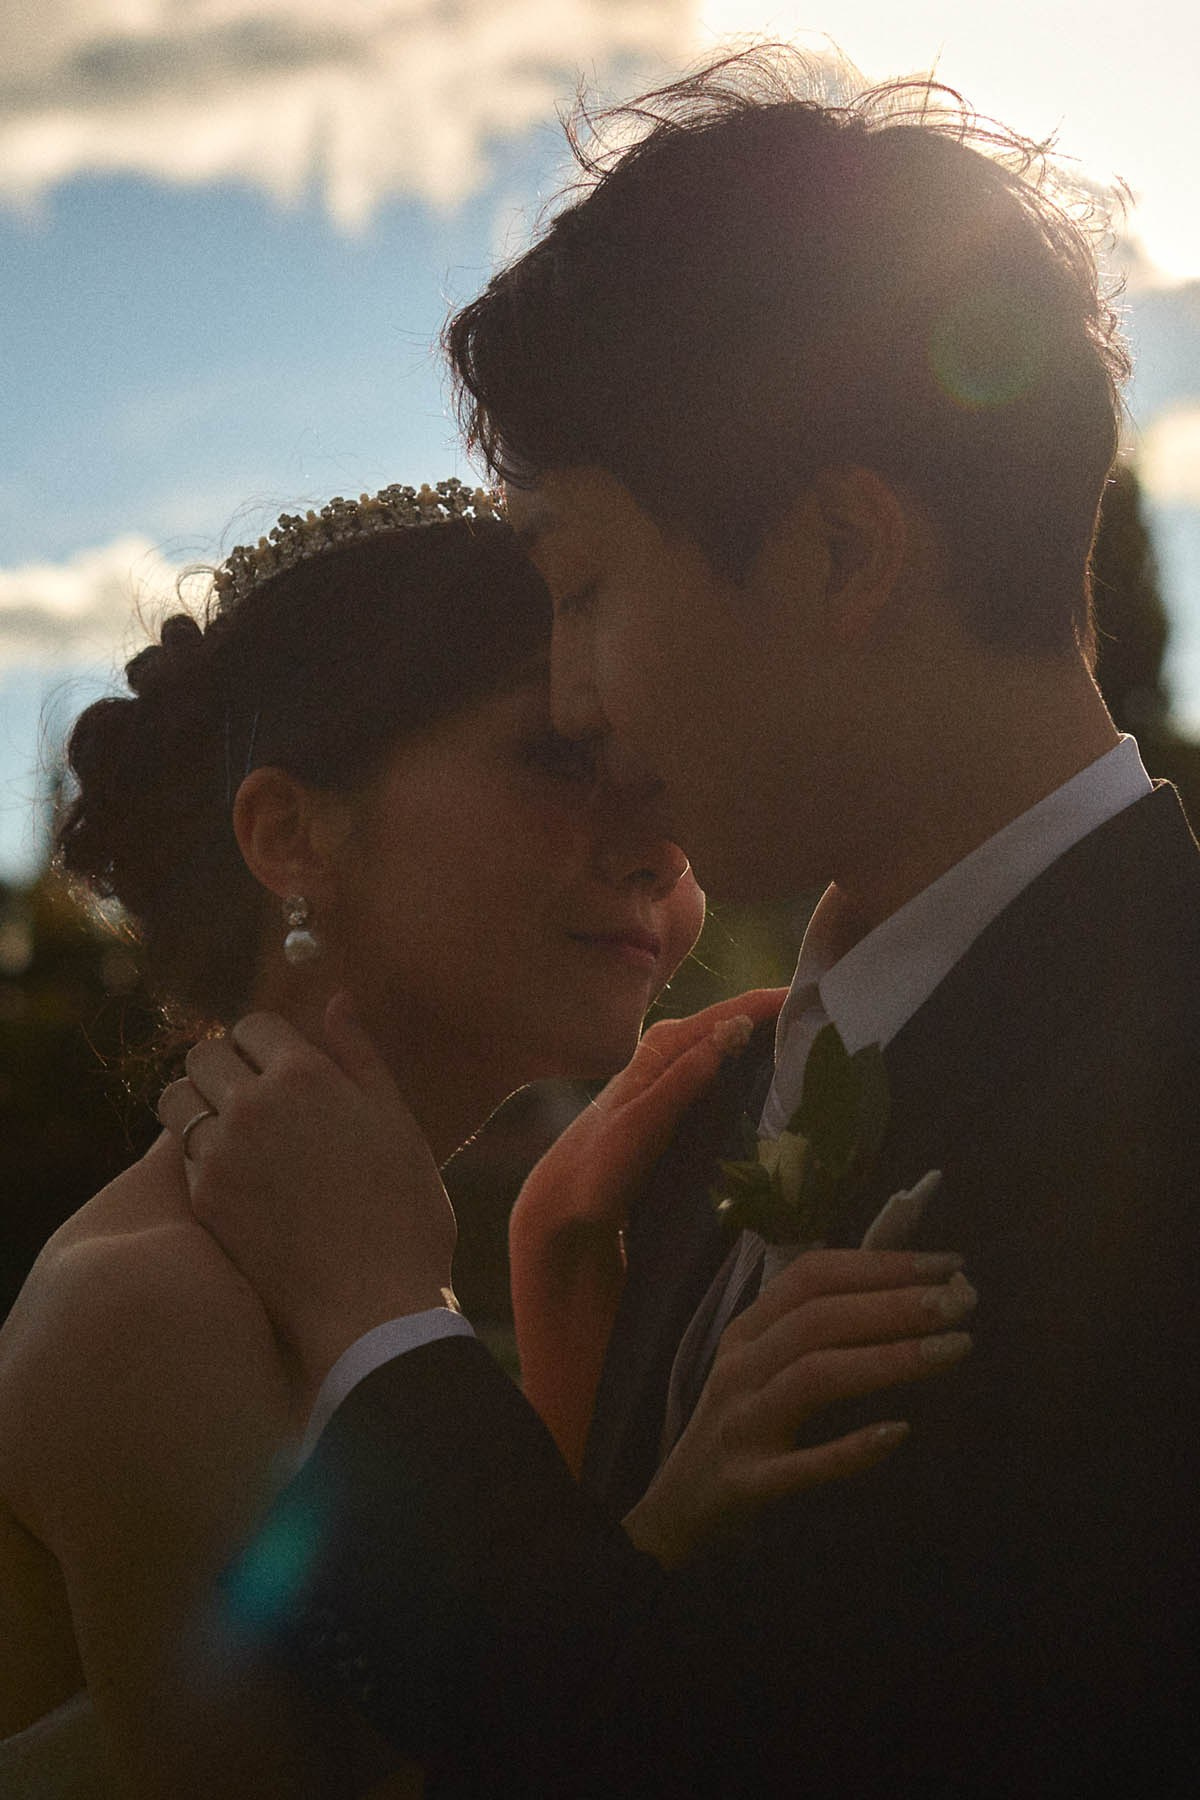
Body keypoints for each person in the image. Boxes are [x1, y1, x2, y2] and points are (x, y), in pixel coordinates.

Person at [168, 46, 1200, 1800]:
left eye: (582, 587)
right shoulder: (714, 1113)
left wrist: (377, 1325)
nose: (569, 699)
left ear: (841, 555)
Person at [0, 481, 972, 1797]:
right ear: (292, 833)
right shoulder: (151, 1307)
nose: (659, 848)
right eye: (561, 759)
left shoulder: (350, 1249)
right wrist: (671, 1535)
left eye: (644, 764)